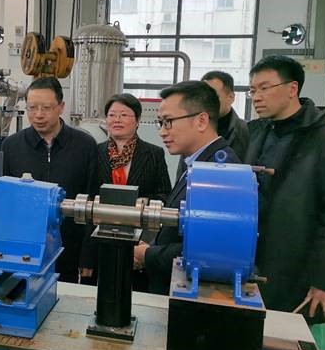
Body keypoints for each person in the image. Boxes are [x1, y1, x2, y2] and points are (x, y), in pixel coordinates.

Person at [0, 76, 98, 350]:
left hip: (67, 251)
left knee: (61, 322)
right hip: (18, 252)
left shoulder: (85, 146)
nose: (38, 115)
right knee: (10, 322)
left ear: (61, 107)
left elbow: (94, 203)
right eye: (32, 107)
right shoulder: (12, 146)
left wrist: (88, 255)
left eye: (46, 108)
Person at [245, 55, 325, 324]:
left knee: (292, 339)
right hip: (262, 259)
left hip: (301, 267)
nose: (256, 97)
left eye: (264, 88)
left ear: (292, 88)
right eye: (252, 90)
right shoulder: (258, 131)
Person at [133, 81, 240, 295]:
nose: (162, 132)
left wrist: (148, 255)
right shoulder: (193, 162)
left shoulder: (219, 171)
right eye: (160, 123)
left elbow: (209, 249)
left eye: (168, 122)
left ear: (201, 121)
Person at [98, 93, 172, 291]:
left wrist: (140, 204)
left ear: (137, 120)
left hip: (140, 238)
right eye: (112, 115)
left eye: (124, 115)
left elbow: (165, 195)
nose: (117, 120)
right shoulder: (96, 152)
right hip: (103, 236)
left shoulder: (153, 154)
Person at [201, 70, 249, 160]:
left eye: (213, 97)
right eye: (203, 97)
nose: (206, 101)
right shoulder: (194, 129)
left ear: (231, 97)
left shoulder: (246, 132)